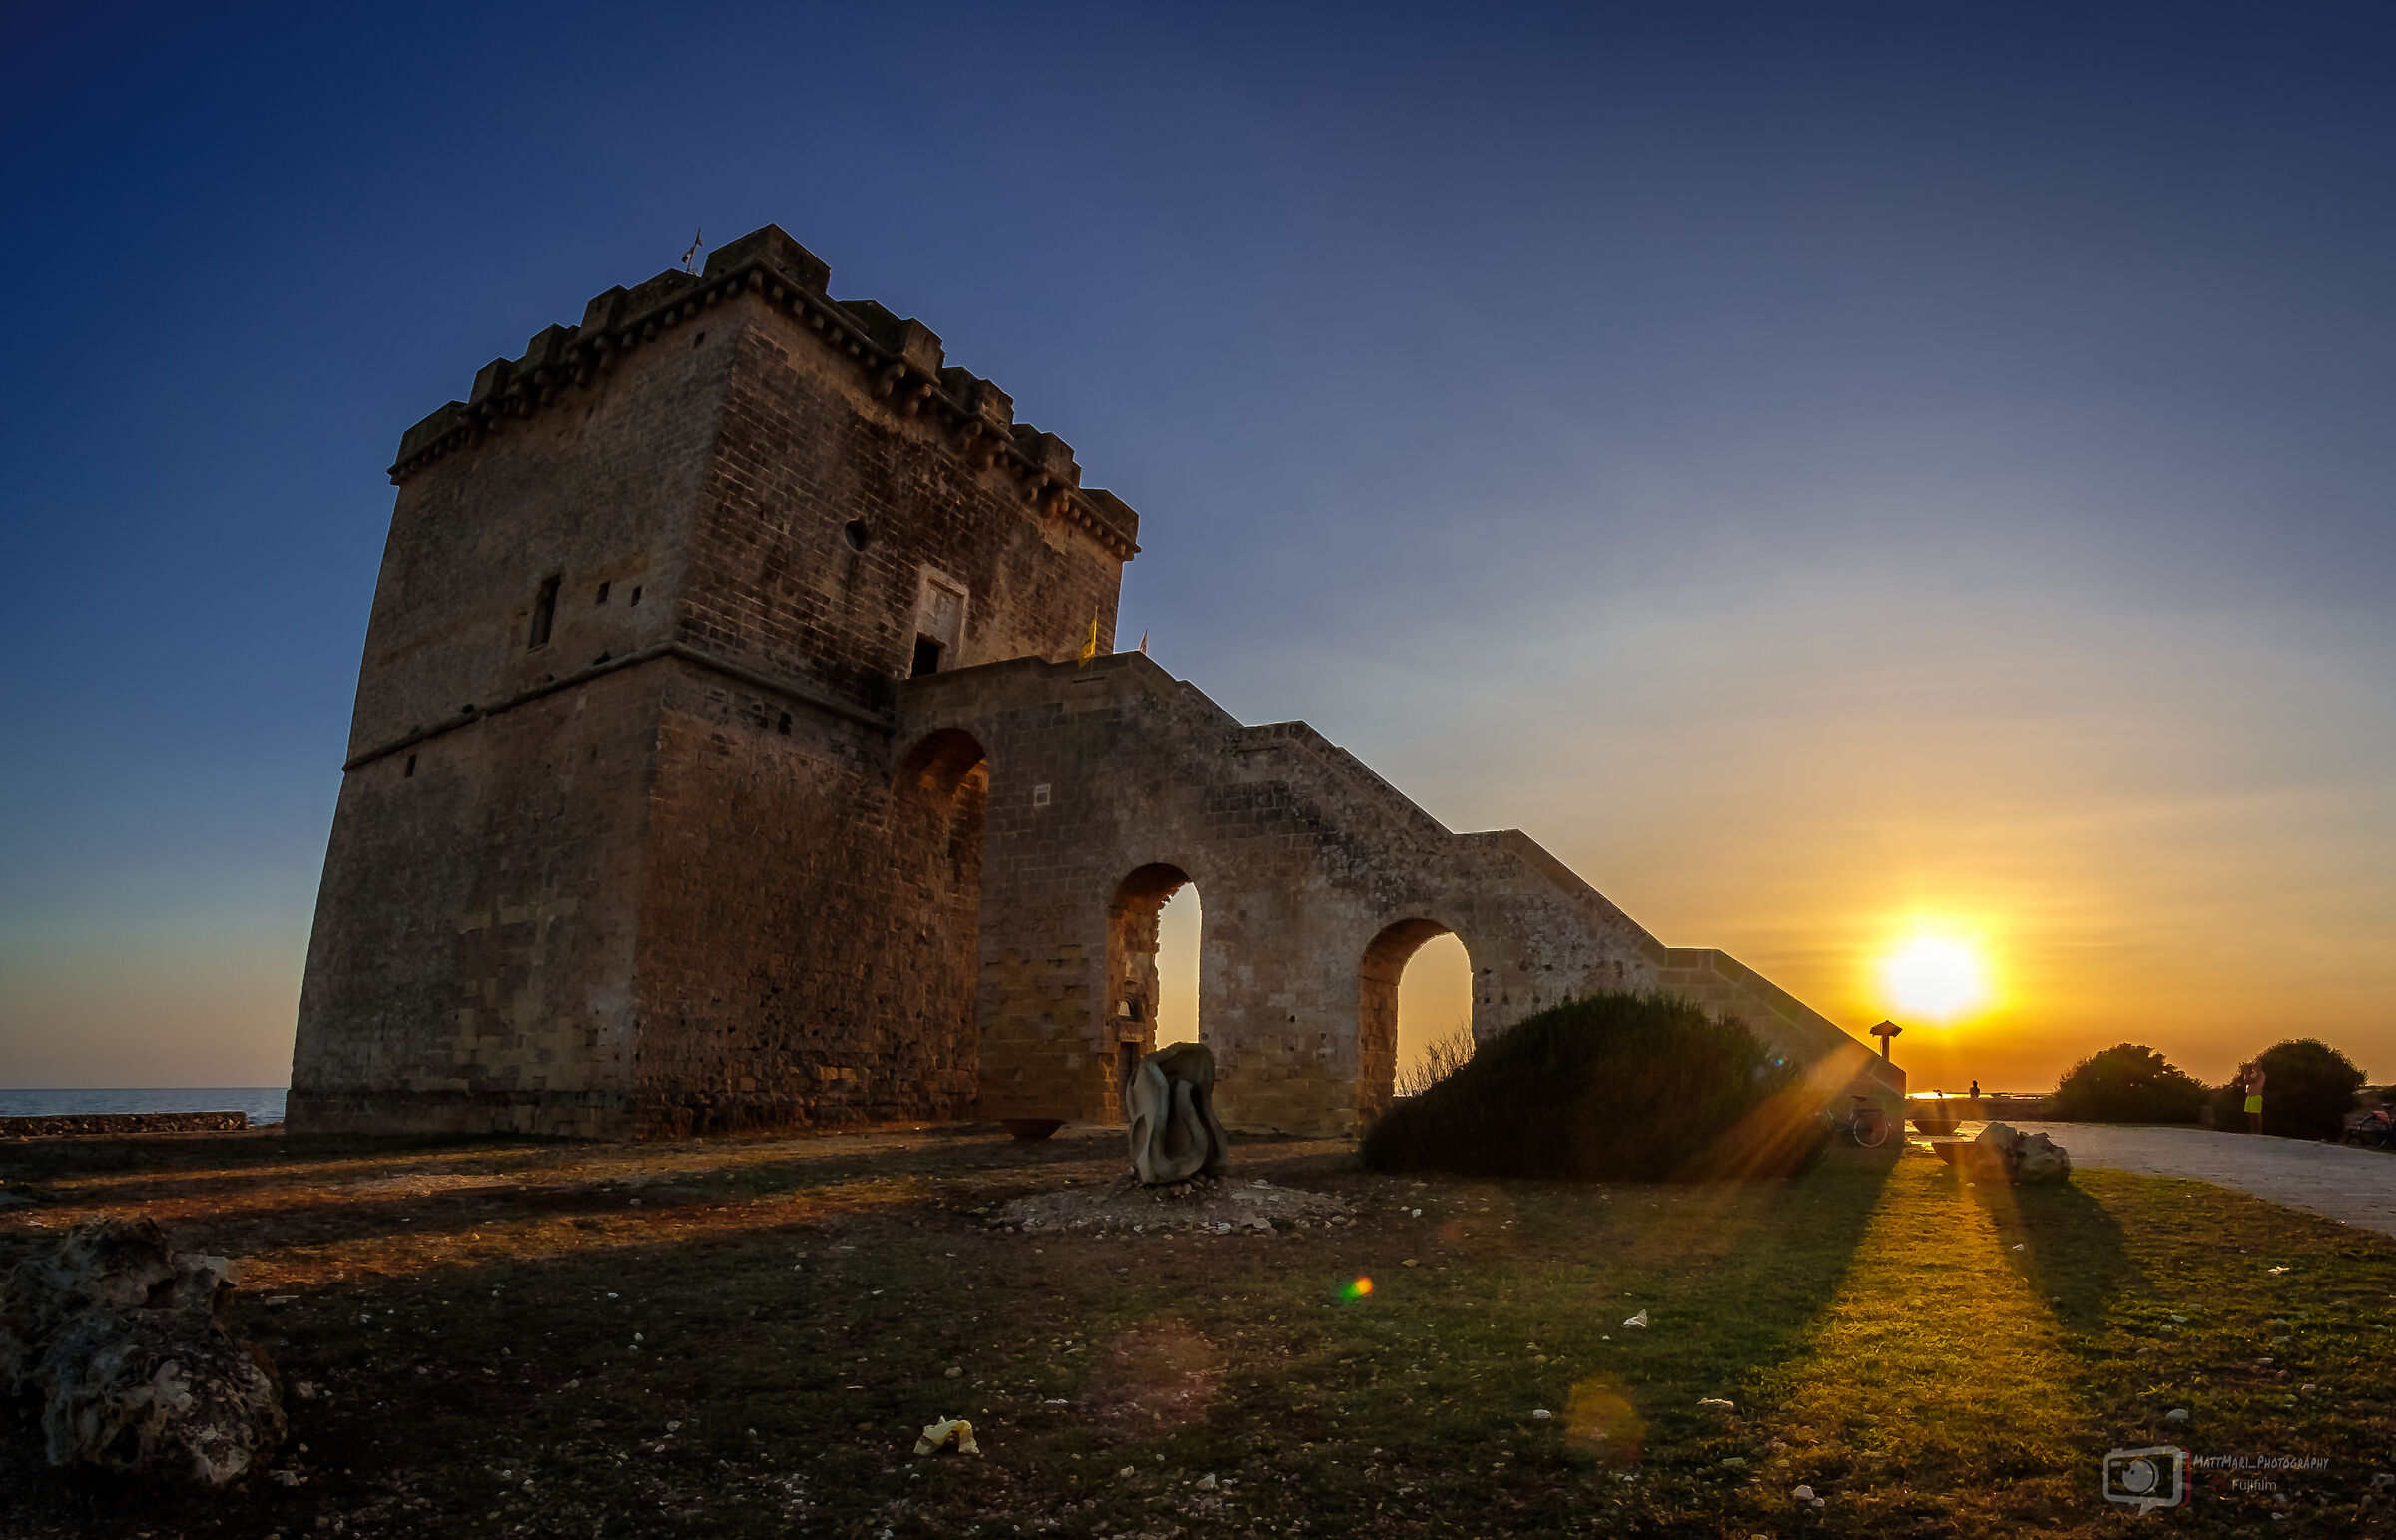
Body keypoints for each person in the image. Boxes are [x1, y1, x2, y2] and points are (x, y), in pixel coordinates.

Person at [2242, 1060, 2266, 1134]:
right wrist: (2245, 1073)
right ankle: (2252, 1130)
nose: (2253, 1067)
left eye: (2255, 1065)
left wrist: (2246, 1072)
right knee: (2251, 1114)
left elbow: (2252, 1081)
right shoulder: (2253, 1074)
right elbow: (2246, 1081)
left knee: (2257, 1114)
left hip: (2256, 1095)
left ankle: (2259, 1131)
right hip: (2250, 1096)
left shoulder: (2260, 1073)